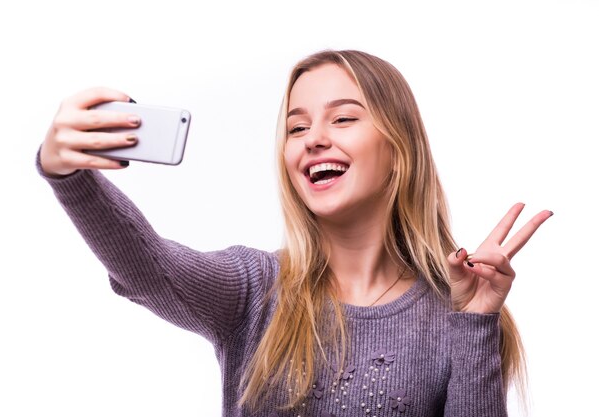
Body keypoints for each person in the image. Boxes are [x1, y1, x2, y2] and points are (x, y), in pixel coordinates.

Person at [38, 50, 552, 416]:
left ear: (399, 150)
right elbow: (149, 269)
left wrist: (476, 322)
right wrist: (69, 176)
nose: (314, 140)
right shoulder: (255, 288)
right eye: (297, 127)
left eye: (343, 118)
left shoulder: (459, 312)